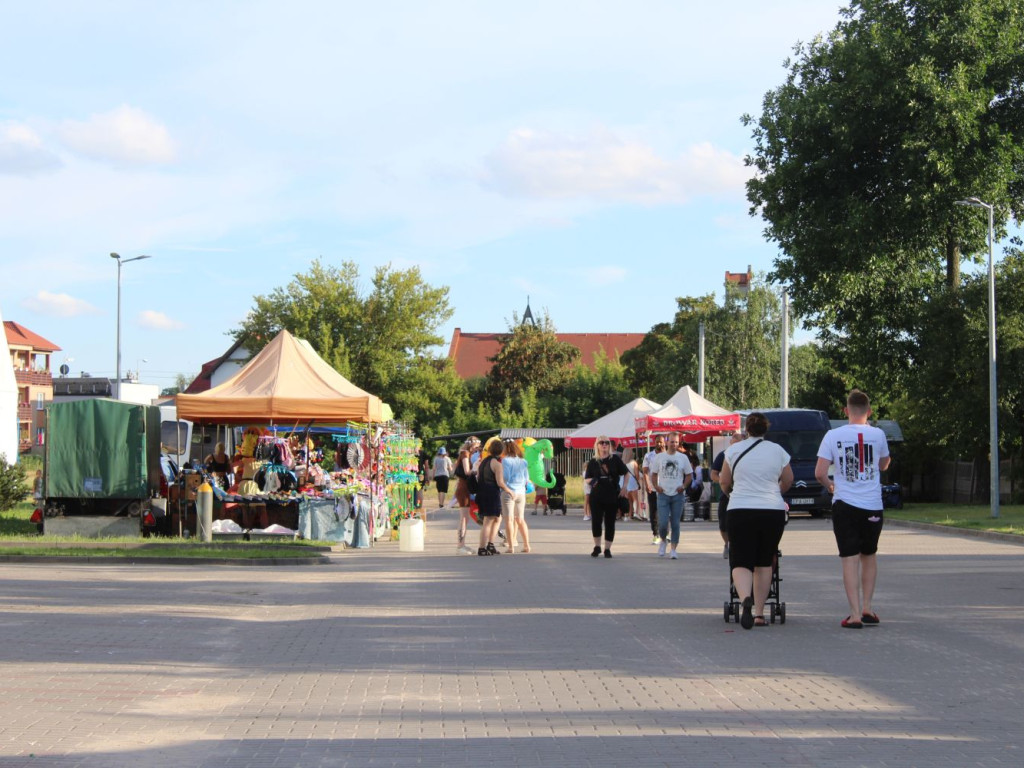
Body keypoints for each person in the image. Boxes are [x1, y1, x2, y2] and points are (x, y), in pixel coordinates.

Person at [815, 388, 891, 629]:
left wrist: (830, 485)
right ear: (870, 411)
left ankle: (855, 614)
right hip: (872, 505)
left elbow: (819, 472)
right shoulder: (878, 434)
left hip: (845, 504)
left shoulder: (832, 436)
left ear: (846, 411)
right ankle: (868, 607)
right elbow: (884, 464)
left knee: (849, 559)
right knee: (869, 555)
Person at [718, 412, 793, 630]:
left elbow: (724, 481)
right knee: (764, 560)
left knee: (740, 559)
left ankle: (745, 599)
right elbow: (788, 479)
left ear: (746, 430)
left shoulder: (733, 450)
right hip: (771, 510)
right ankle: (759, 613)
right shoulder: (778, 451)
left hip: (740, 509)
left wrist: (732, 494)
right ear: (766, 429)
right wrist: (775, 492)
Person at [584, 435, 629, 558]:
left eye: (607, 442)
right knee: (596, 521)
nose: (604, 445)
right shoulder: (593, 461)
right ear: (597, 445)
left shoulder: (615, 459)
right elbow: (587, 478)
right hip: (596, 496)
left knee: (610, 522)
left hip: (612, 495)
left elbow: (626, 473)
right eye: (601, 442)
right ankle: (597, 546)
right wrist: (593, 481)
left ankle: (607, 549)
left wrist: (624, 487)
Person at [650, 433, 692, 560]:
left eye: (676, 442)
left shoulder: (683, 458)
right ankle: (663, 540)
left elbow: (689, 475)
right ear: (667, 442)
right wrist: (656, 486)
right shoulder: (659, 457)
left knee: (675, 523)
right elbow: (653, 474)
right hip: (663, 494)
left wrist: (683, 486)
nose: (674, 444)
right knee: (662, 523)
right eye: (672, 442)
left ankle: (673, 549)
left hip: (677, 495)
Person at [711, 431, 745, 558]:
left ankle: (738, 545)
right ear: (730, 443)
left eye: (738, 444)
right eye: (733, 444)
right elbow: (713, 474)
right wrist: (722, 480)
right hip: (726, 493)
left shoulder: (747, 455)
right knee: (723, 523)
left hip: (743, 493)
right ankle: (727, 544)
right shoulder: (724, 454)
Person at [499, 440, 531, 553]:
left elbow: (506, 476)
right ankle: (526, 545)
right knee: (520, 519)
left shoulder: (505, 461)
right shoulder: (523, 461)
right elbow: (527, 478)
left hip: (509, 491)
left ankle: (511, 546)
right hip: (521, 492)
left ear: (506, 448)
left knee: (509, 519)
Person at [476, 440, 505, 556]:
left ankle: (490, 545)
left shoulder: (483, 462)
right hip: (491, 493)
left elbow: (478, 476)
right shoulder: (497, 464)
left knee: (498, 518)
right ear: (501, 451)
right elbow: (500, 482)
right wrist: (509, 491)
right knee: (488, 521)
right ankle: (482, 548)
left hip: (482, 492)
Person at [642, 435, 666, 543]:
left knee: (665, 510)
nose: (659, 444)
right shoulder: (649, 456)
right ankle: (656, 534)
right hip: (652, 487)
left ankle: (666, 533)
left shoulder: (668, 455)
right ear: (654, 442)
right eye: (657, 442)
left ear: (664, 443)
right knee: (654, 511)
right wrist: (647, 483)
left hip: (665, 487)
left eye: (661, 442)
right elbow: (645, 471)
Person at [453, 442, 475, 554]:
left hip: (465, 488)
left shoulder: (466, 454)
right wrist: (477, 470)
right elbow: (467, 471)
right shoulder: (465, 453)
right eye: (476, 447)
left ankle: (462, 544)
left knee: (465, 518)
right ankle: (460, 545)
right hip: (463, 488)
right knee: (464, 518)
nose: (477, 449)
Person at [621, 447, 641, 520]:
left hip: (624, 482)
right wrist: (637, 481)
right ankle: (636, 513)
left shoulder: (622, 463)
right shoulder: (633, 462)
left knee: (629, 500)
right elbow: (637, 474)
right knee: (635, 499)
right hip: (632, 481)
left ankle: (629, 515)